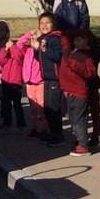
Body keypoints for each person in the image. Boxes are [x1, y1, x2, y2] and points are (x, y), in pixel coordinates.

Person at [31, 12, 69, 147]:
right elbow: (39, 58)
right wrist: (36, 49)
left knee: (54, 107)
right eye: (42, 23)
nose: (44, 25)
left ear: (54, 24)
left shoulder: (55, 38)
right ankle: (52, 132)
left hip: (55, 77)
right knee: (47, 108)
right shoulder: (43, 39)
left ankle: (58, 135)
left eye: (47, 23)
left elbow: (58, 56)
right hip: (46, 77)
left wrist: (45, 49)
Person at [59, 32, 97, 156]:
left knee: (80, 119)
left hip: (79, 91)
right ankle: (79, 140)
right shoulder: (70, 53)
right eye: (75, 40)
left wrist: (76, 65)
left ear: (86, 41)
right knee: (73, 119)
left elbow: (91, 73)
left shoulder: (85, 56)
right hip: (69, 91)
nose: (76, 42)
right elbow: (64, 42)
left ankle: (83, 146)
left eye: (79, 39)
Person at [17, 26, 48, 139]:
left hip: (40, 83)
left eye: (37, 37)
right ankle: (34, 128)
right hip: (29, 83)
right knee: (33, 108)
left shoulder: (41, 51)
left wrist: (40, 43)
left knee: (42, 107)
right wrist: (28, 34)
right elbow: (19, 44)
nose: (34, 39)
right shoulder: (27, 50)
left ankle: (45, 128)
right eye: (33, 37)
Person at [0, 32, 26, 131]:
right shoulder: (6, 52)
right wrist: (6, 49)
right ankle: (7, 123)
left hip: (16, 82)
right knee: (6, 105)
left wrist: (13, 48)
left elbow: (19, 57)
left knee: (17, 105)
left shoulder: (20, 51)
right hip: (5, 82)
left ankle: (21, 124)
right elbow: (0, 59)